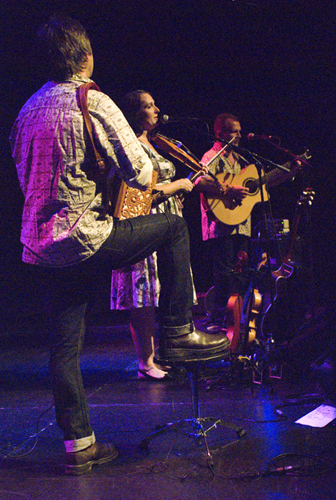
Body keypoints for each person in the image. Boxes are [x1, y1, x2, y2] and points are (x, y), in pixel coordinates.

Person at [9, 14, 229, 475]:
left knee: (63, 348)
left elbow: (23, 174)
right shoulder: (93, 100)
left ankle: (80, 446)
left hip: (40, 247)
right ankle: (175, 332)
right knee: (171, 229)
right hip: (88, 236)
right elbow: (143, 176)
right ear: (86, 56)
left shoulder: (26, 110)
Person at [111, 90, 197, 381]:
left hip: (168, 218)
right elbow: (136, 191)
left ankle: (166, 352)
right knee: (144, 292)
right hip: (143, 221)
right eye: (149, 106)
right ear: (135, 115)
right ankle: (145, 362)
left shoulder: (156, 142)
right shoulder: (131, 147)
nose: (157, 110)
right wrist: (175, 188)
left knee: (169, 286)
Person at [194, 113, 251, 331]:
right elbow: (198, 180)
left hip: (242, 223)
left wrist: (290, 172)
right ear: (221, 134)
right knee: (225, 274)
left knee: (241, 272)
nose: (239, 135)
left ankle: (238, 318)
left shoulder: (242, 159)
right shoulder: (211, 156)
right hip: (219, 224)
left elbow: (257, 185)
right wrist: (228, 189)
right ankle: (218, 319)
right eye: (235, 131)